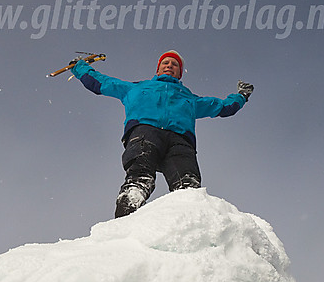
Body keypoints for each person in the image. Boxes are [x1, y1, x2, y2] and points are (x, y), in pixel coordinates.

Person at [71, 50, 253, 218]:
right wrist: (80, 67)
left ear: (179, 73)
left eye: (174, 65)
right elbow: (100, 83)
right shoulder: (135, 87)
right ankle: (124, 222)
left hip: (180, 140)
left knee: (188, 187)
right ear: (158, 69)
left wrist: (242, 96)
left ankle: (192, 228)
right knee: (139, 178)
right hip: (145, 132)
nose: (169, 66)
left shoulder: (189, 98)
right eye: (165, 63)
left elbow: (223, 107)